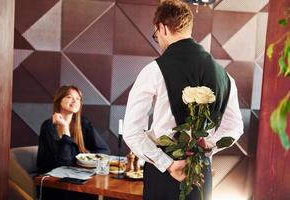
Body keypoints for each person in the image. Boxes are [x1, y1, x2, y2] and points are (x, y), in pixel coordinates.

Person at [122, 1, 244, 200]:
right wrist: (209, 144)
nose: (158, 40)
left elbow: (131, 132)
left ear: (162, 28)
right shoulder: (225, 76)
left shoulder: (153, 70)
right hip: (200, 172)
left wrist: (167, 163)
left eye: (156, 35)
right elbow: (235, 127)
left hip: (164, 174)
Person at [37, 85, 110, 199]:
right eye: (70, 97)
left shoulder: (82, 123)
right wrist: (65, 127)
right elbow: (64, 161)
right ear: (59, 101)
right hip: (54, 182)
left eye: (78, 99)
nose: (75, 101)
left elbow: (103, 150)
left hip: (75, 176)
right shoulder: (49, 126)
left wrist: (89, 161)